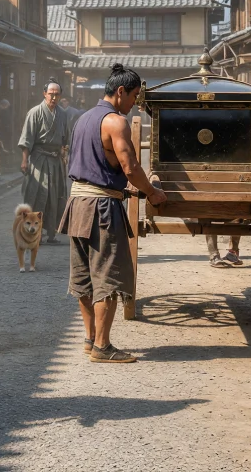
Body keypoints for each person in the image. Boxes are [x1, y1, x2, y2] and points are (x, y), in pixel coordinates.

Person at [61, 63, 166, 363]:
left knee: (83, 277)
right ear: (120, 92)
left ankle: (90, 338)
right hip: (101, 208)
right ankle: (103, 347)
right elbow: (130, 168)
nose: (134, 104)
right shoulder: (116, 122)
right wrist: (152, 192)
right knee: (107, 276)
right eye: (133, 97)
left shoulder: (82, 119)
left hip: (77, 204)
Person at [19, 82, 70, 244]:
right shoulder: (35, 112)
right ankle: (35, 233)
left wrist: (64, 153)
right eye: (51, 94)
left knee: (55, 196)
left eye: (57, 94)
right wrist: (24, 160)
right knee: (38, 194)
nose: (54, 97)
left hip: (56, 160)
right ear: (44, 94)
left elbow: (65, 139)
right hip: (39, 159)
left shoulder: (62, 114)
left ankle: (51, 232)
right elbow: (27, 139)